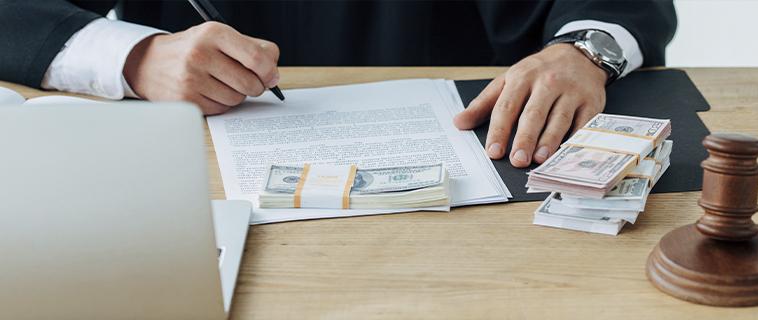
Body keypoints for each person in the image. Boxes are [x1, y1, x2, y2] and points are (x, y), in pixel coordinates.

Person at [0, 1, 676, 168]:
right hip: (199, 170)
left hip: (488, 165)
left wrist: (581, 51)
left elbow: (622, 4)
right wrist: (136, 55)